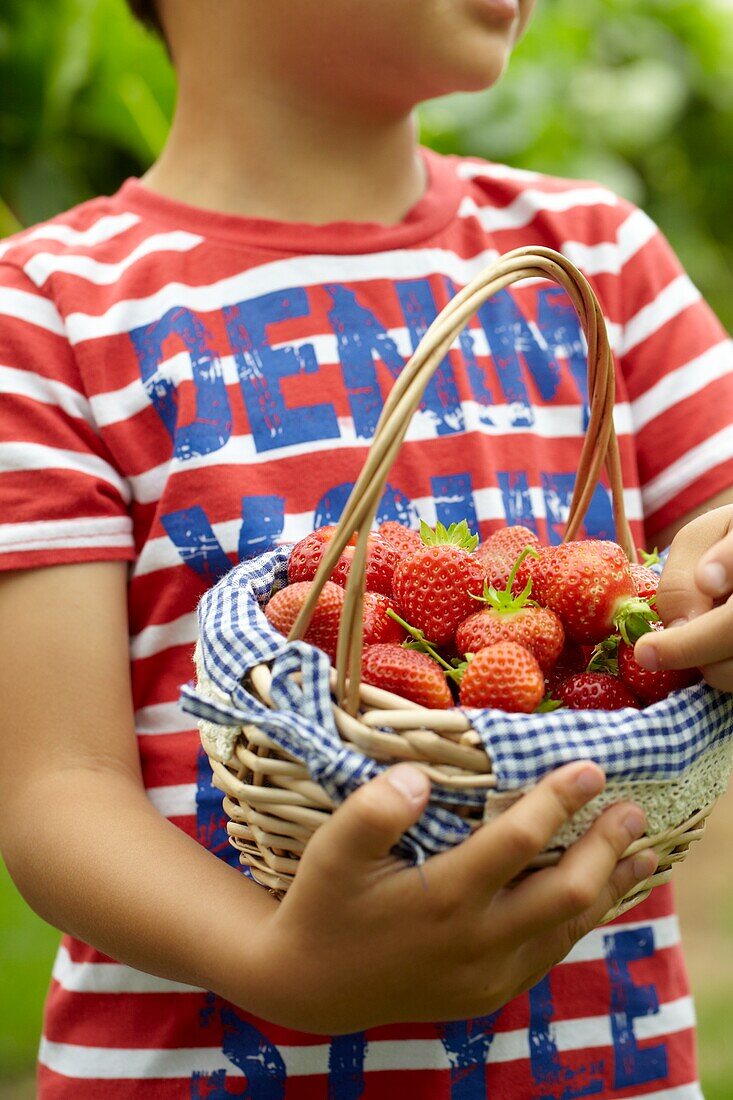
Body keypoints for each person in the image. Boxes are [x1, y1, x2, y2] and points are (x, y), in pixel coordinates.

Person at [1, 0, 732, 1095]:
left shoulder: (594, 260)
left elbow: (714, 540)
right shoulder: (46, 315)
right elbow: (57, 782)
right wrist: (273, 962)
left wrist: (709, 586)